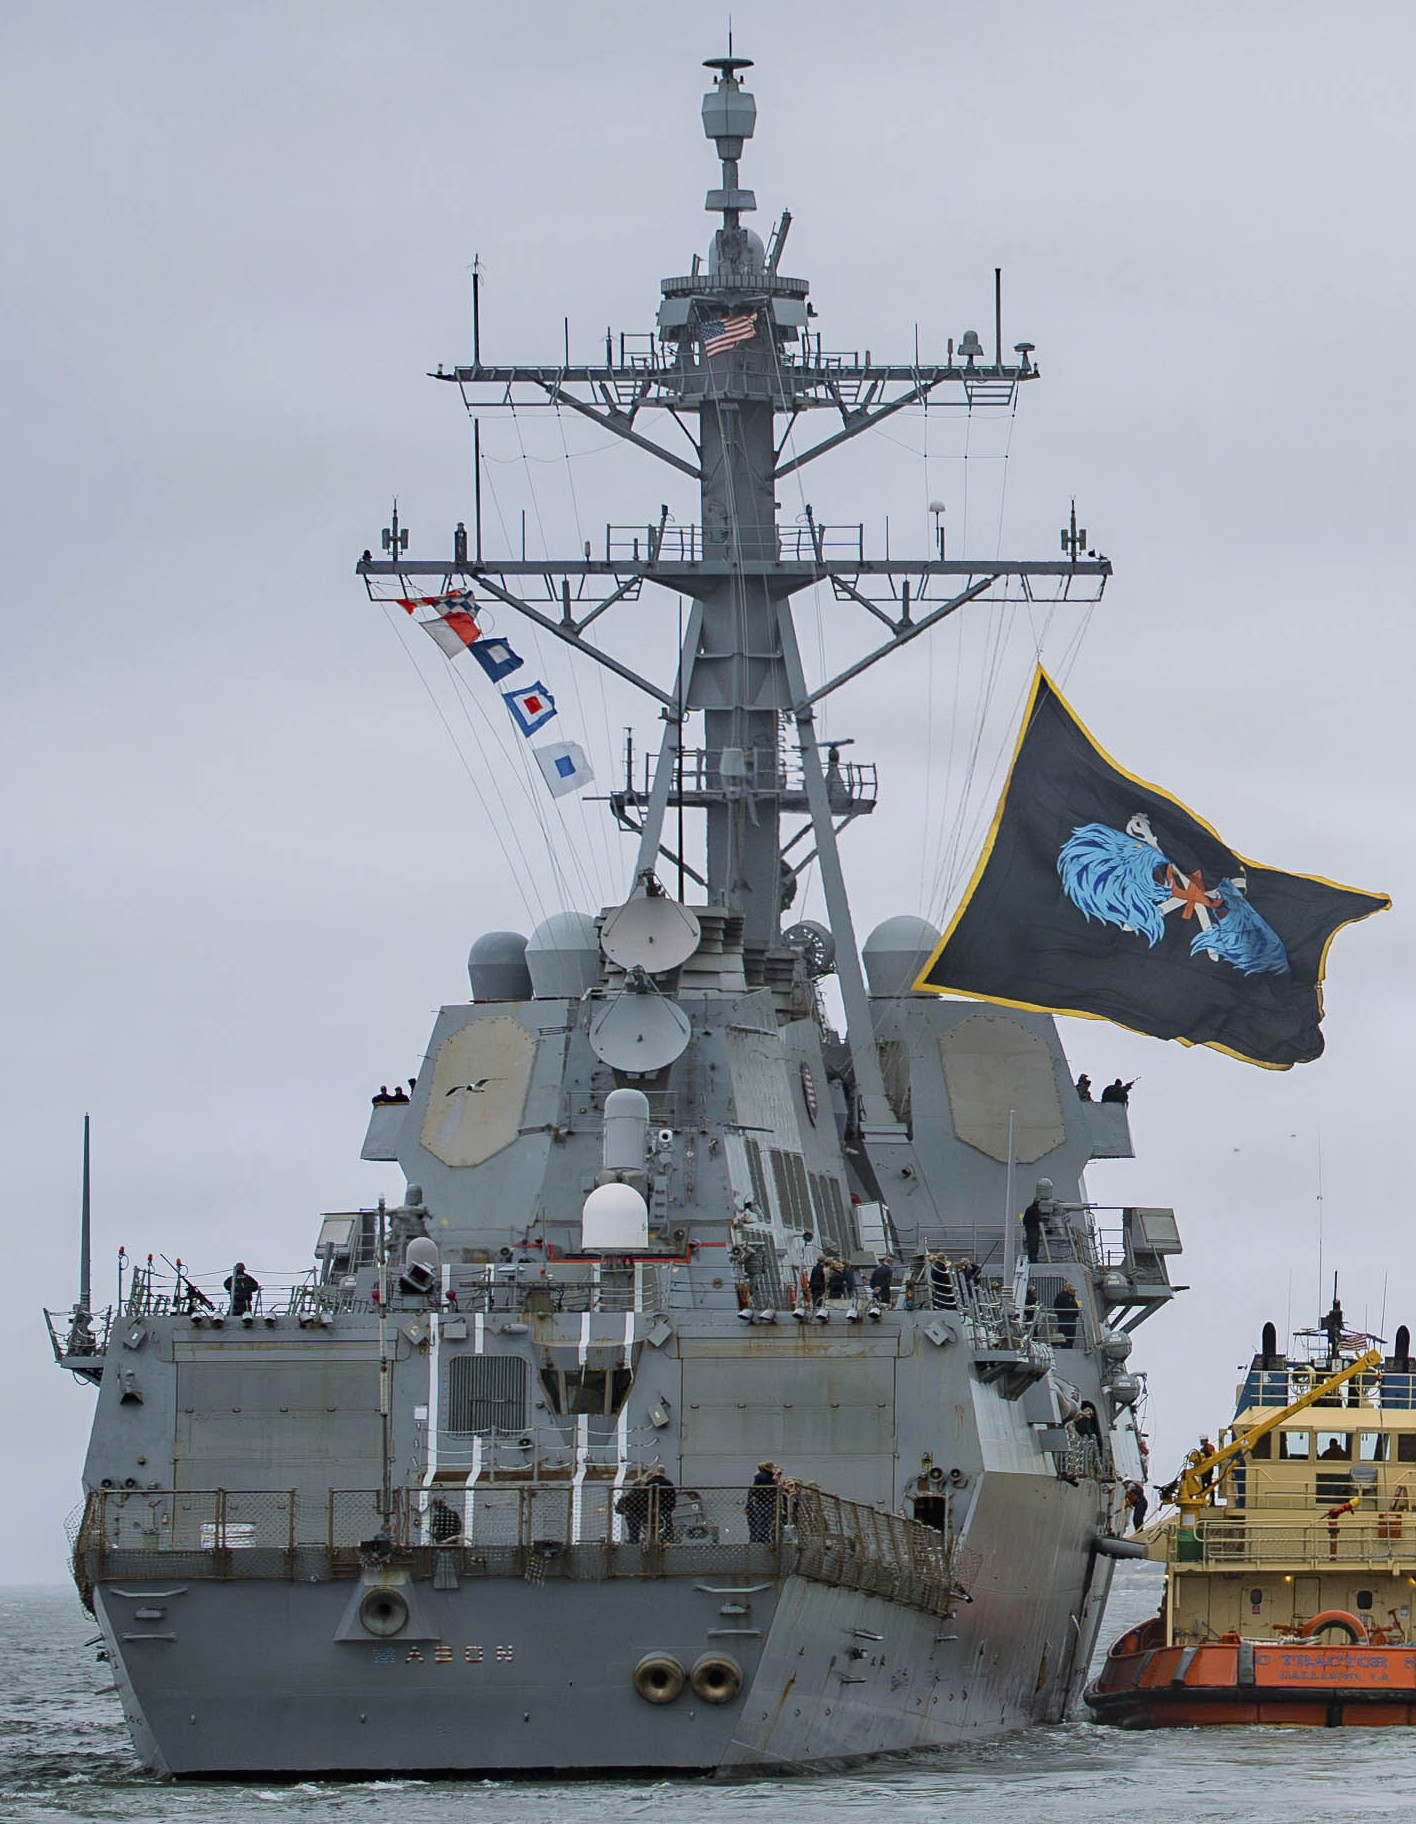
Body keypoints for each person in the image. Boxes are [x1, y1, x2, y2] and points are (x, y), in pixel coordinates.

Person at [746, 1461, 782, 1542]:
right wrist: (776, 1476)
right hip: (765, 1502)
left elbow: (754, 1490)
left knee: (761, 1523)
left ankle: (758, 1540)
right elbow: (776, 1487)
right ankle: (763, 1540)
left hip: (762, 1503)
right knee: (764, 1523)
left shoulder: (760, 1477)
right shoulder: (766, 1477)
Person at [641, 1465, 677, 1541]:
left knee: (650, 1526)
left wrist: (646, 1507)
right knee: (667, 1525)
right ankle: (666, 1539)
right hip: (664, 1508)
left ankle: (650, 1539)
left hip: (650, 1509)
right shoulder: (668, 1483)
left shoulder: (649, 1483)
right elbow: (672, 1497)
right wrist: (670, 1507)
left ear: (656, 1471)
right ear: (664, 1472)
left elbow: (644, 1496)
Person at [1022, 1199, 1044, 1266]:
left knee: (1031, 1246)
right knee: (1033, 1246)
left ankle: (1031, 1260)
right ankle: (1033, 1261)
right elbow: (1038, 1219)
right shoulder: (1034, 1210)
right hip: (1033, 1229)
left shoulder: (1029, 1209)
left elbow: (1024, 1220)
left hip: (1030, 1229)